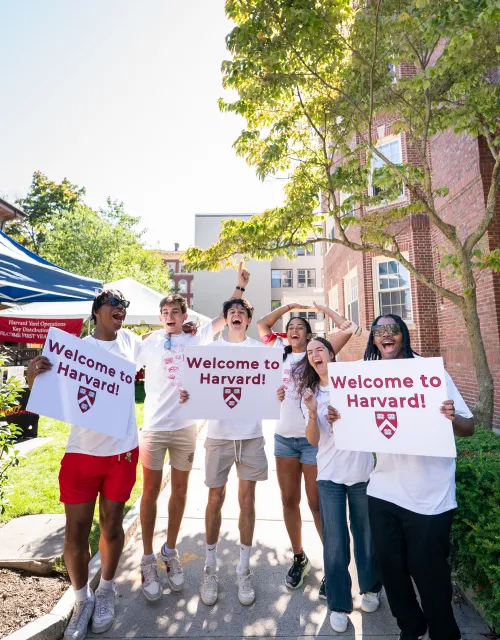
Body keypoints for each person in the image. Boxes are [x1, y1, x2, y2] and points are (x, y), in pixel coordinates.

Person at [327, 314, 474, 640]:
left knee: (429, 574)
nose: (387, 335)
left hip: (429, 496)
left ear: (404, 335)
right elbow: (351, 417)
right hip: (384, 489)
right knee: (390, 570)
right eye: (380, 331)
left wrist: (450, 417)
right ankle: (411, 627)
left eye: (394, 329)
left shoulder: (429, 373)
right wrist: (338, 415)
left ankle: (444, 632)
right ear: (374, 340)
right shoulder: (368, 374)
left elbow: (469, 426)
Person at [26, 290, 142, 640]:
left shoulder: (133, 344)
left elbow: (174, 339)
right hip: (81, 454)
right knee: (76, 533)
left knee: (112, 526)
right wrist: (32, 374)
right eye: (113, 304)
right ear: (96, 313)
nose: (120, 310)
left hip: (122, 453)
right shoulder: (72, 351)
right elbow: (41, 391)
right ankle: (81, 599)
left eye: (124, 306)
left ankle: (105, 590)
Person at [137, 264, 250, 602]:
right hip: (154, 429)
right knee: (150, 492)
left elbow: (224, 316)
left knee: (180, 493)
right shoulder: (149, 342)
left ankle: (169, 551)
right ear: (160, 317)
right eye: (165, 312)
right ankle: (146, 560)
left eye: (175, 311)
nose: (170, 315)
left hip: (185, 428)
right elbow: (115, 356)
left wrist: (239, 288)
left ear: (184, 314)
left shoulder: (196, 335)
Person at [257, 302, 355, 595]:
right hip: (284, 439)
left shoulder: (317, 353)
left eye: (300, 326)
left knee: (316, 504)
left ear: (310, 334)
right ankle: (299, 558)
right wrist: (288, 307)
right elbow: (262, 324)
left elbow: (348, 328)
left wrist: (323, 308)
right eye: (290, 327)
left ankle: (332, 565)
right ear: (285, 335)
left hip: (314, 440)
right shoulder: (279, 353)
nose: (294, 330)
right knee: (289, 501)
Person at [297, 336, 382, 634]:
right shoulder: (310, 393)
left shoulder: (355, 383)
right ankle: (338, 603)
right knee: (335, 543)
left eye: (320, 349)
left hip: (361, 473)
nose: (315, 354)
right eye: (310, 352)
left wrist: (346, 418)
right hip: (330, 475)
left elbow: (373, 418)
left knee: (366, 536)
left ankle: (370, 588)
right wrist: (312, 413)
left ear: (332, 353)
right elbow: (313, 440)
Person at [192, 295, 266, 607]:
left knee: (247, 501)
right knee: (214, 499)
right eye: (231, 312)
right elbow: (196, 382)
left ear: (248, 320)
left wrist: (273, 390)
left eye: (241, 312)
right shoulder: (210, 351)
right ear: (226, 319)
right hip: (219, 435)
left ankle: (243, 568)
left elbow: (268, 388)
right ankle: (210, 568)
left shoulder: (261, 351)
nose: (236, 315)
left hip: (250, 436)